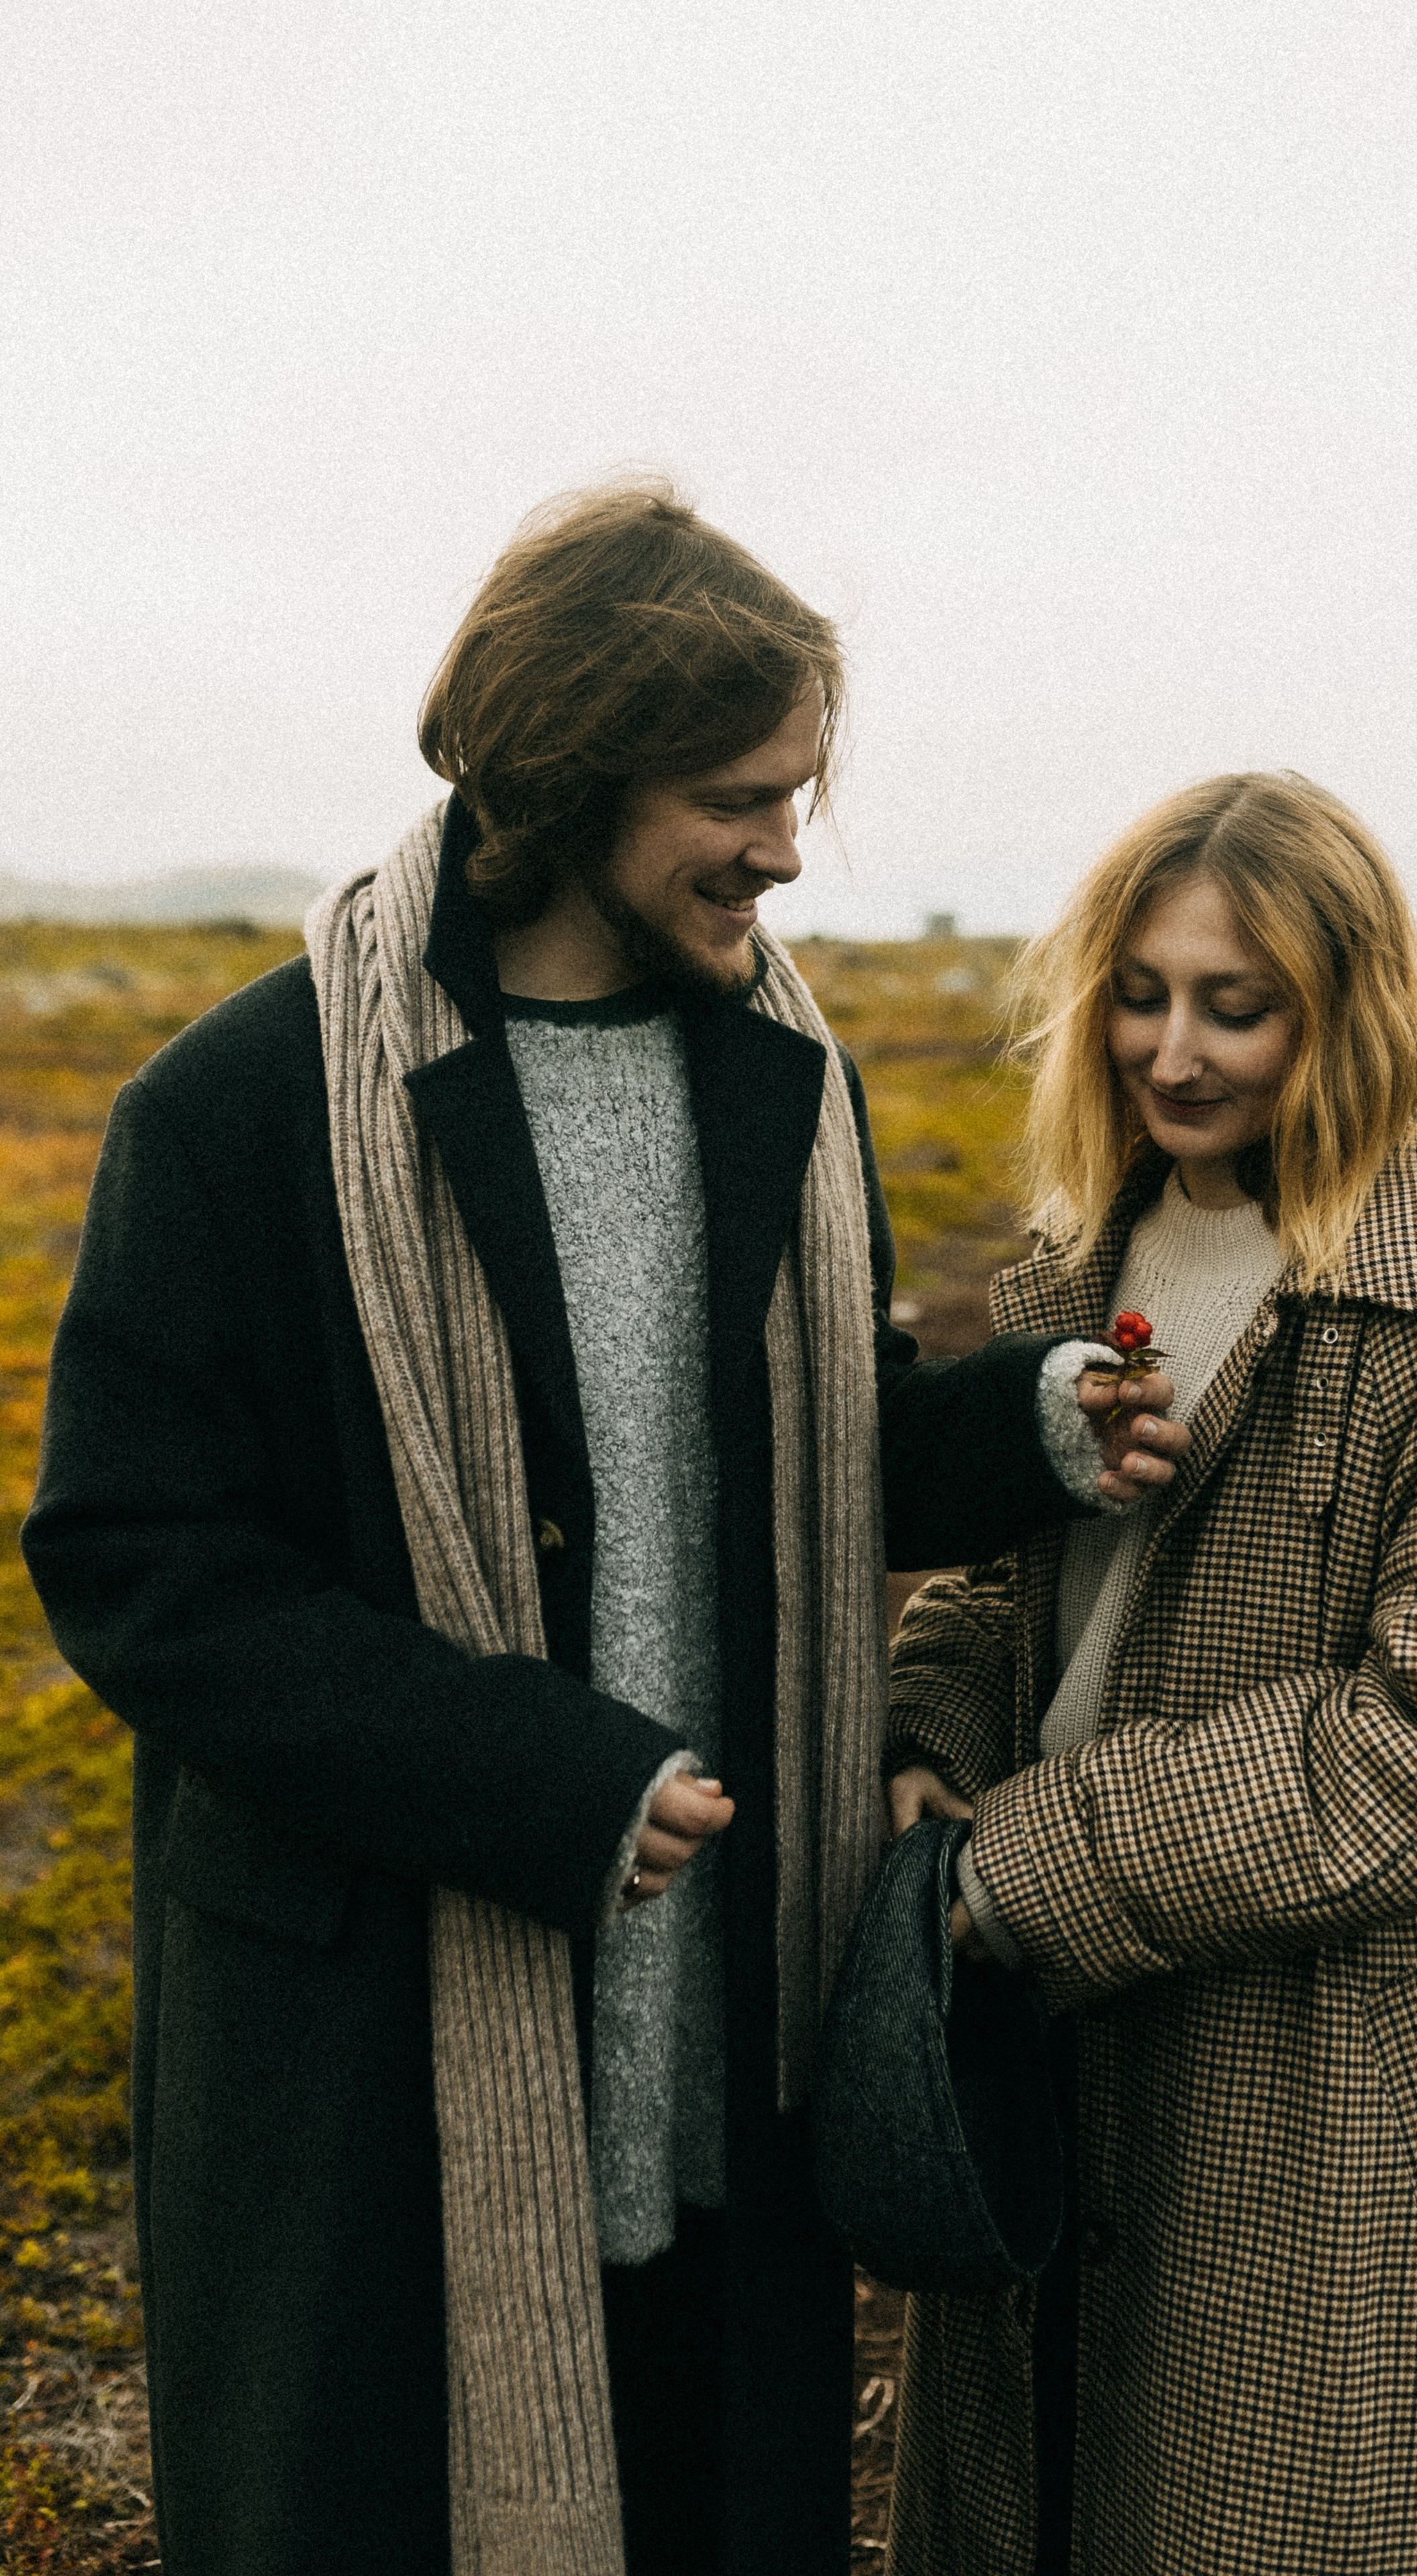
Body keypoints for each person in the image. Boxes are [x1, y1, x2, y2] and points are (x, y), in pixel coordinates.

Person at [19, 484, 1190, 2576]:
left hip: (715, 2041)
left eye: (799, 794)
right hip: (387, 2047)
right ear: (568, 772)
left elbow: (800, 1463)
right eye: (739, 797)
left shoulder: (785, 1080)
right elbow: (141, 1564)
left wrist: (1022, 1429)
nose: (784, 850)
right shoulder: (238, 1111)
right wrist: (531, 1775)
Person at [884, 772, 1417, 2576]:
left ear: (1347, 1015)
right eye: (1142, 993)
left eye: (1239, 1005)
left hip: (1328, 2058)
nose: (1176, 1051)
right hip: (1054, 2025)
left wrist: (1027, 1872)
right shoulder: (1079, 1259)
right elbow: (1006, 1583)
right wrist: (926, 1737)